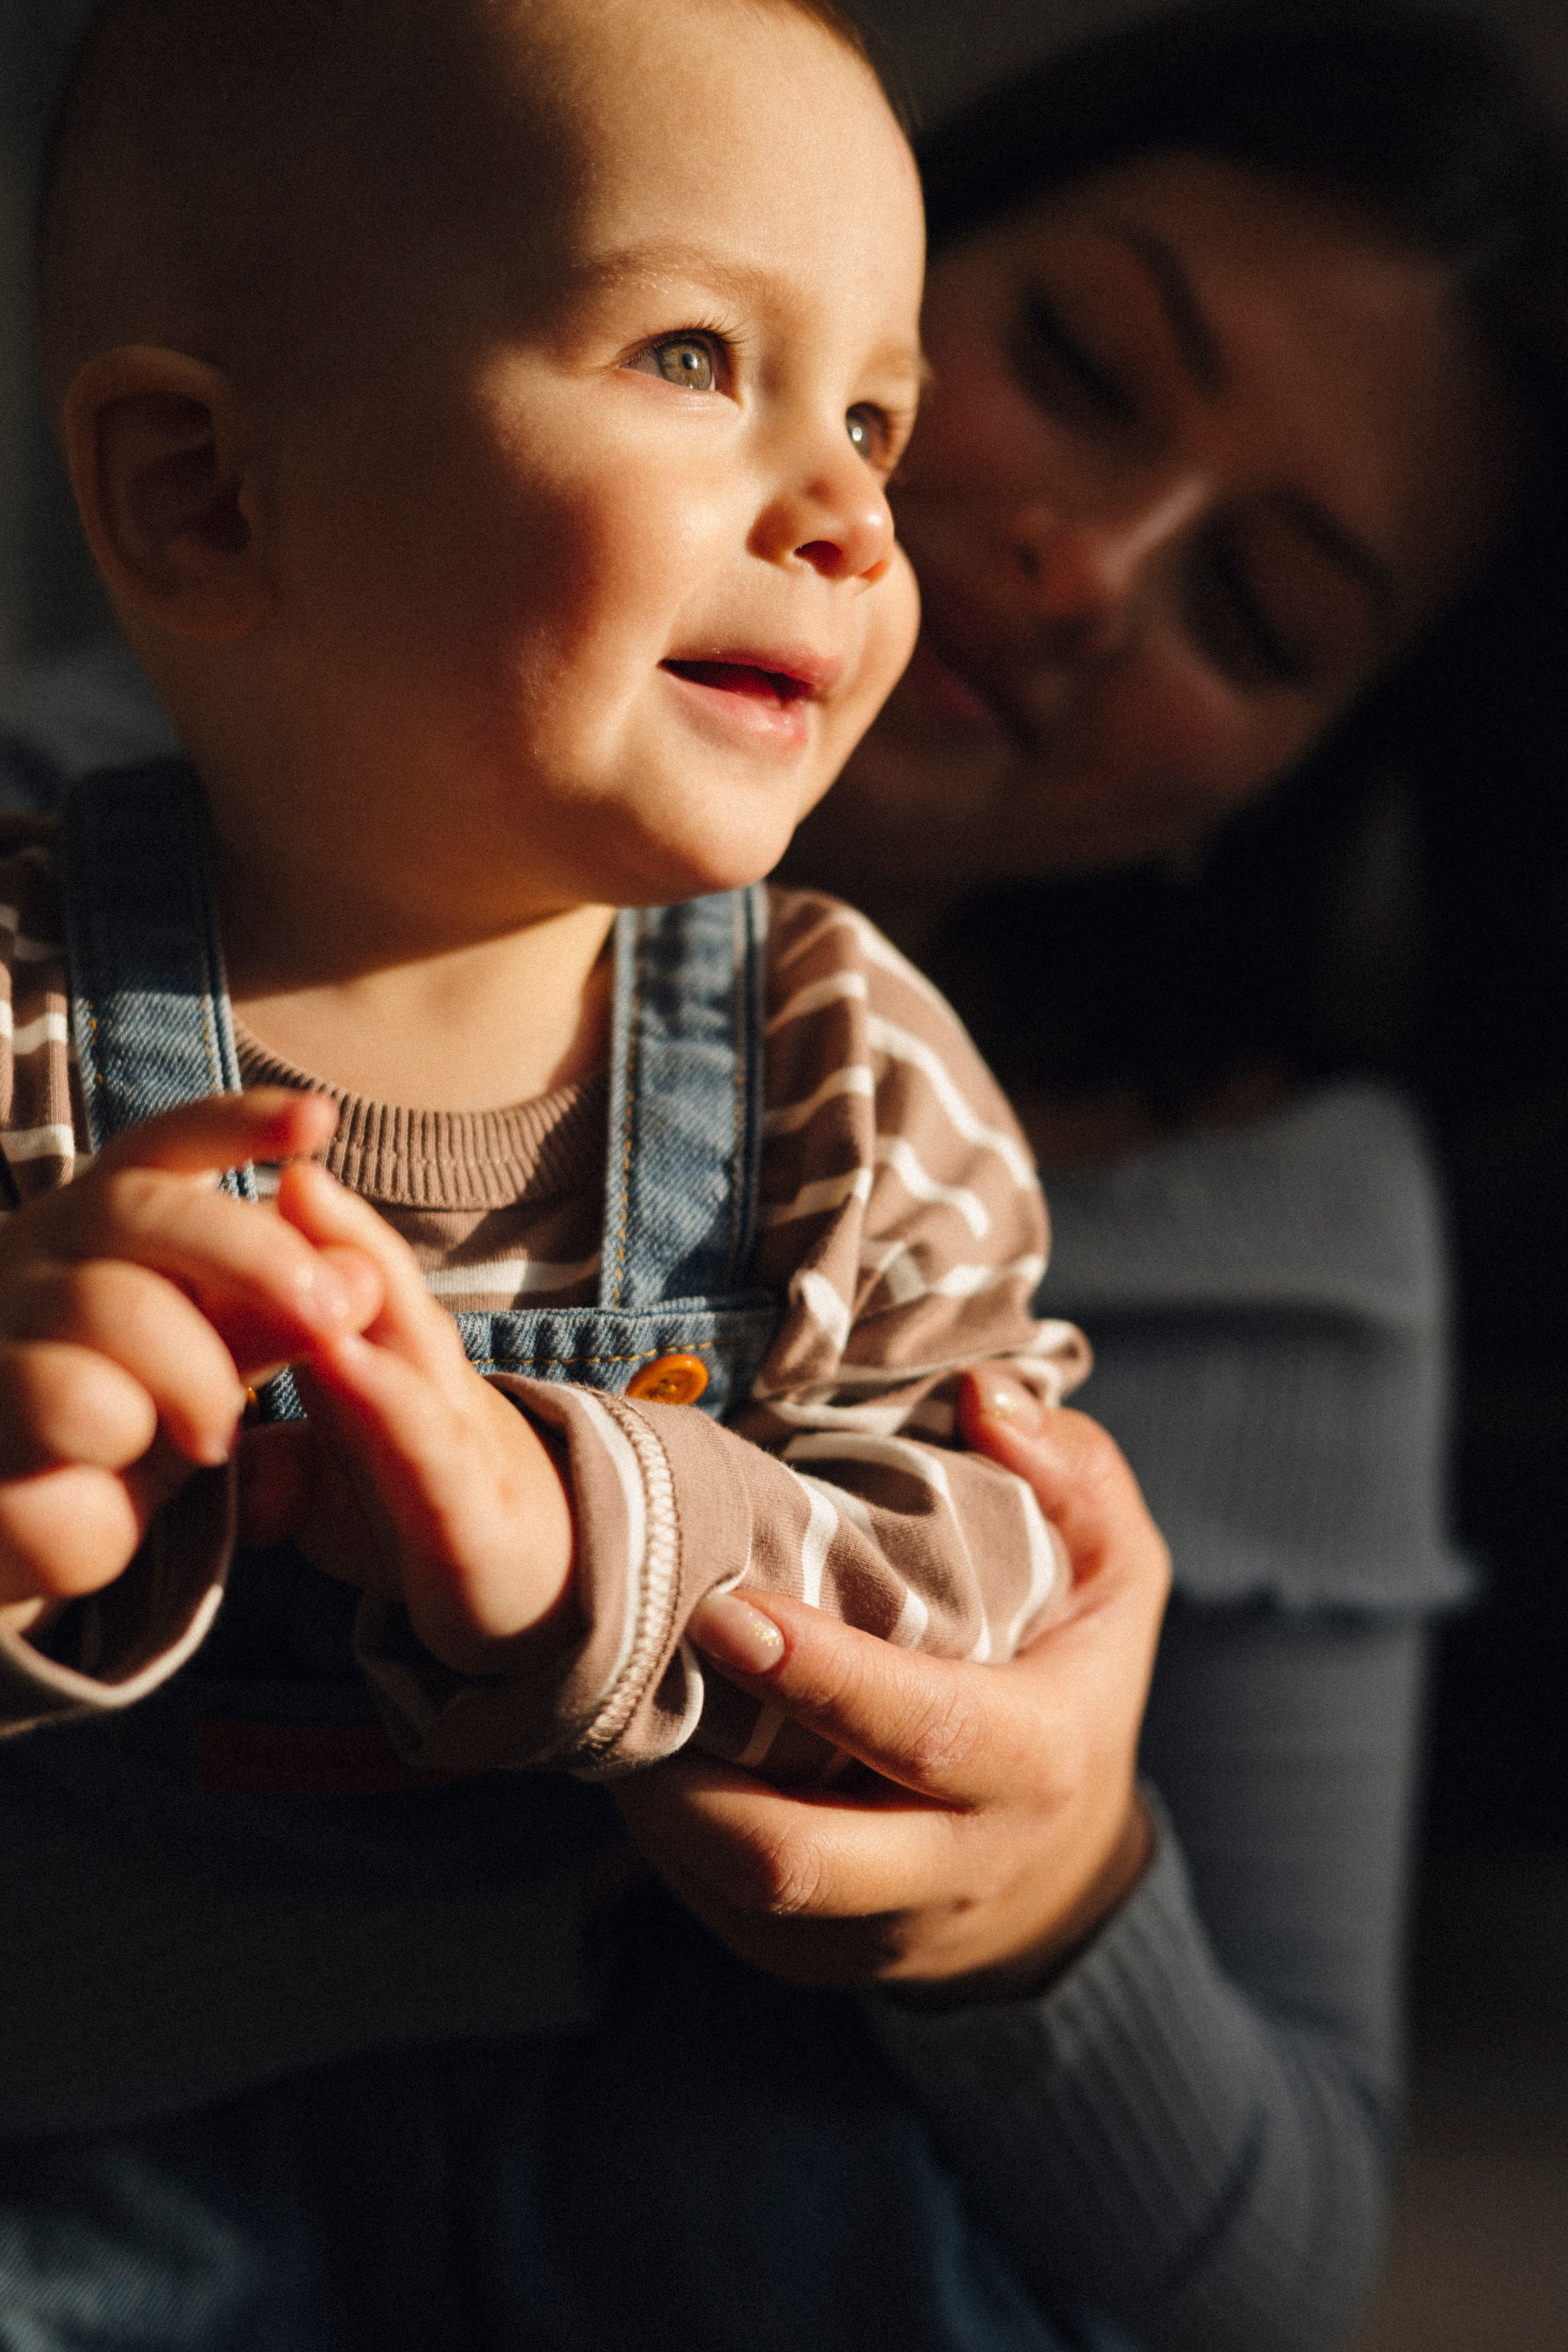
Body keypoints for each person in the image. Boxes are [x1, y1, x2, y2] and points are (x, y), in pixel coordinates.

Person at [0, 0, 1121, 2340]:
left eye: (877, 416)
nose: (851, 508)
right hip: (73, 2140)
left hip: (678, 2154)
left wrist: (597, 1531)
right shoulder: (19, 1026)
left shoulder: (840, 1069)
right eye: (699, 352)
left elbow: (991, 1556)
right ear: (209, 495)